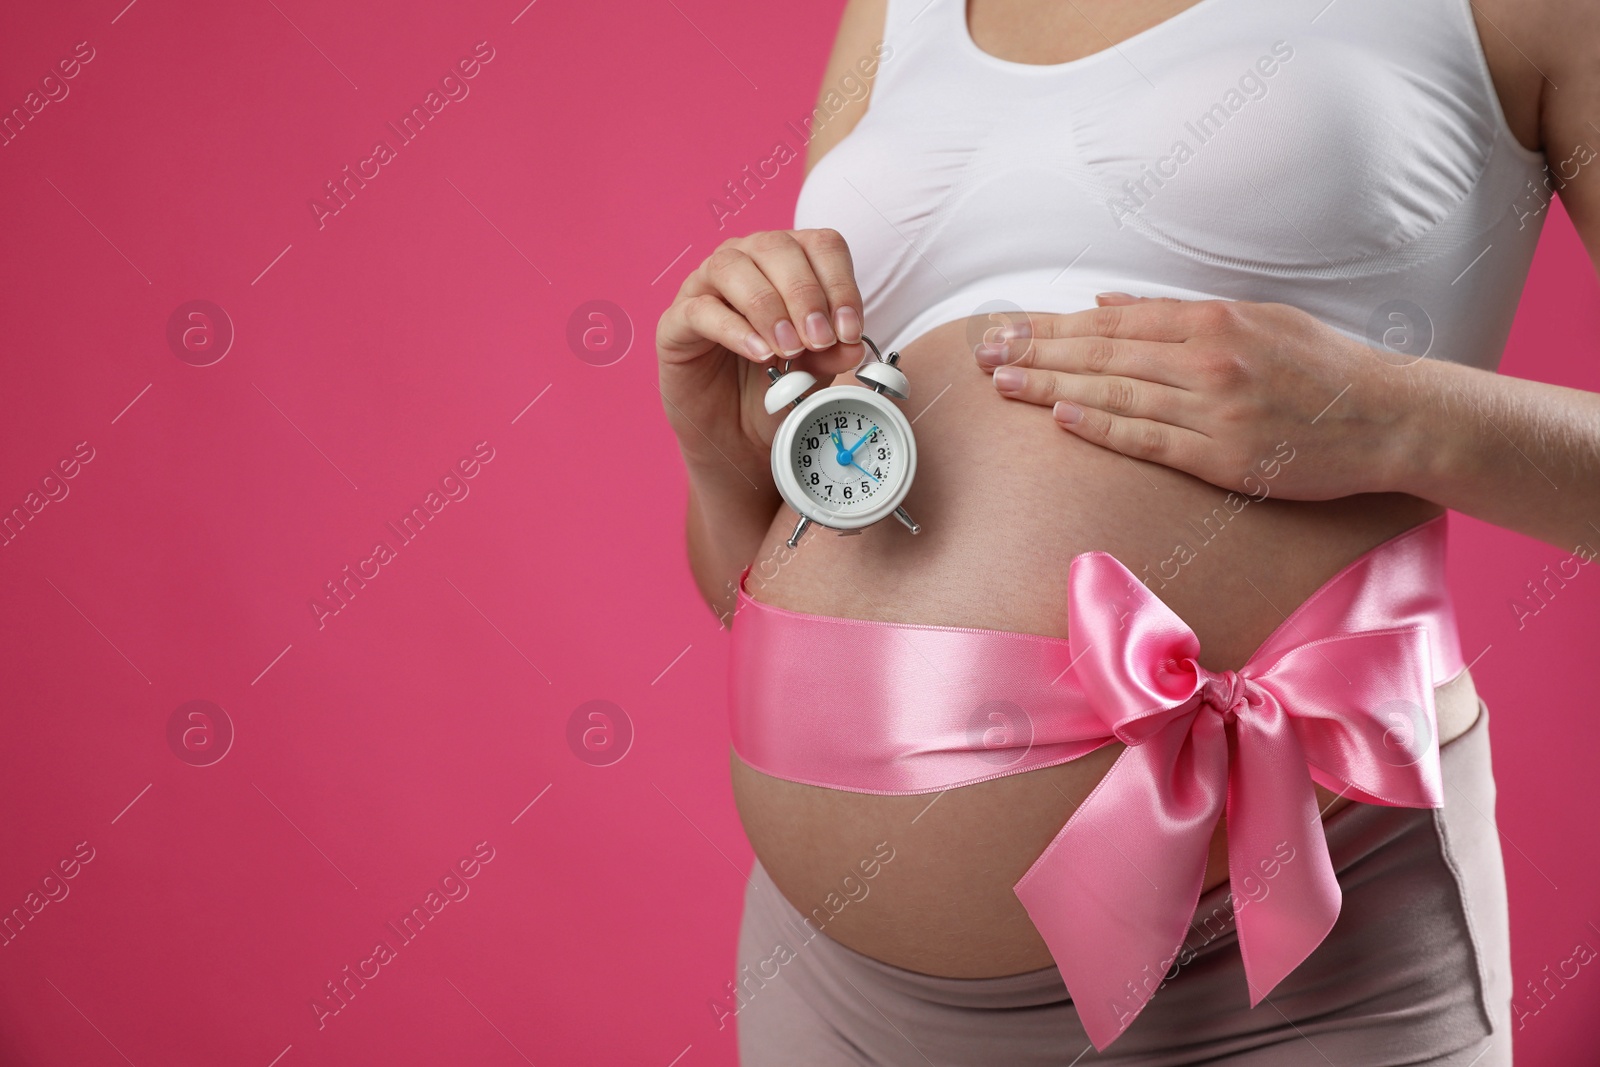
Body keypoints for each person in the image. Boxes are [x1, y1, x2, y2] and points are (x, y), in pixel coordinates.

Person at [655, 0, 1600, 1062]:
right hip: (830, 988)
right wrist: (724, 456)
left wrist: (1398, 419)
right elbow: (746, 591)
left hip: (1292, 951)